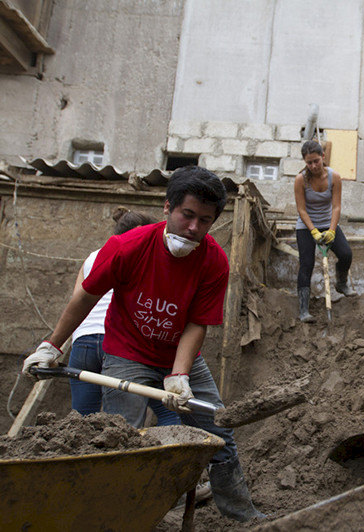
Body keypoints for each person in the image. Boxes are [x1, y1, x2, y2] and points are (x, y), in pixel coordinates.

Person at [22, 166, 264, 522]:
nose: (194, 228)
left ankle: (244, 517)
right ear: (167, 208)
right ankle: (117, 518)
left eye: (205, 220)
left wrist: (179, 373)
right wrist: (52, 346)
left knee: (219, 433)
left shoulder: (214, 261)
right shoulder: (126, 247)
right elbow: (85, 297)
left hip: (181, 357)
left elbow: (197, 322)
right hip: (126, 353)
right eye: (188, 215)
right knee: (120, 441)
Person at [69, 207, 179, 426]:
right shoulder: (147, 258)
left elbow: (79, 299)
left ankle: (83, 460)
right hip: (122, 344)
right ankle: (171, 457)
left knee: (82, 421)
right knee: (169, 410)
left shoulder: (92, 257)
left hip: (84, 341)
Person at [294, 139, 356, 322]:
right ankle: (304, 310)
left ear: (323, 156)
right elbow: (301, 209)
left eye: (316, 161)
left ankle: (342, 284)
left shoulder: (334, 177)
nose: (313, 165)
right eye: (309, 162)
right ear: (305, 162)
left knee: (346, 254)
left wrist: (331, 231)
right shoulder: (300, 180)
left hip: (328, 223)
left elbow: (336, 207)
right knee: (306, 263)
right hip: (306, 226)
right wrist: (313, 231)